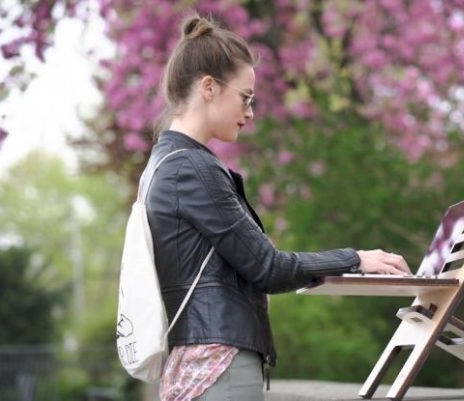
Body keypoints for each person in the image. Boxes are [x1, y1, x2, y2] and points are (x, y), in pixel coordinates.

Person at [145, 15, 411, 401]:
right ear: (208, 87)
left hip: (197, 361)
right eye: (245, 97)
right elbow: (268, 268)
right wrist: (355, 258)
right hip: (220, 364)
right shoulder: (192, 169)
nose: (251, 112)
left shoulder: (163, 163)